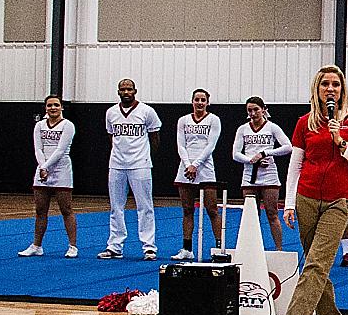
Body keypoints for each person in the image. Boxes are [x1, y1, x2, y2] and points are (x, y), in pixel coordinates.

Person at [272, 65, 348, 315]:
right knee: (318, 264)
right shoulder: (304, 123)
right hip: (306, 197)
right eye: (325, 84)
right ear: (317, 89)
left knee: (315, 264)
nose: (330, 89)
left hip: (340, 199)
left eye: (335, 84)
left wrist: (341, 142)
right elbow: (295, 166)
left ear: (342, 90)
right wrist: (289, 203)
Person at [99, 78, 161, 260]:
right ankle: (115, 246)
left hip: (140, 164)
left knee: (145, 206)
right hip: (117, 164)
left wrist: (145, 157)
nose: (126, 92)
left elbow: (155, 137)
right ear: (118, 91)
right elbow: (111, 137)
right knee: (116, 207)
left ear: (135, 91)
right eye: (123, 89)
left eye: (129, 89)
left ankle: (149, 247)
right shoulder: (111, 112)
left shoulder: (147, 111)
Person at [19, 95, 78, 258]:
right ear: (45, 108)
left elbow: (60, 150)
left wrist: (45, 167)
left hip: (61, 169)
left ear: (61, 107)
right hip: (42, 169)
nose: (53, 108)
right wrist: (42, 166)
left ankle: (72, 246)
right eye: (49, 105)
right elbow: (38, 148)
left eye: (56, 105)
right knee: (40, 210)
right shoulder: (39, 125)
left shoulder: (68, 125)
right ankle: (37, 245)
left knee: (66, 209)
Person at [231, 96, 292, 250]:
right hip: (249, 176)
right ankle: (252, 250)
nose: (253, 113)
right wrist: (251, 160)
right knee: (251, 216)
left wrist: (265, 153)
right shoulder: (243, 129)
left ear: (264, 109)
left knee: (272, 213)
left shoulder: (272, 127)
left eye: (256, 109)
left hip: (269, 175)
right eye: (249, 110)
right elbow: (235, 154)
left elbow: (287, 147)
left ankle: (279, 249)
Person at [171, 88, 222, 260]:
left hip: (205, 168)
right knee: (187, 210)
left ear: (208, 102)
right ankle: (187, 248)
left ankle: (219, 248)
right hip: (186, 169)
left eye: (203, 100)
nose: (200, 103)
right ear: (192, 101)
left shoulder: (214, 120)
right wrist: (188, 165)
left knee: (212, 209)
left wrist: (196, 164)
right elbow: (181, 145)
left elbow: (211, 145)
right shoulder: (183, 120)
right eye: (197, 99)